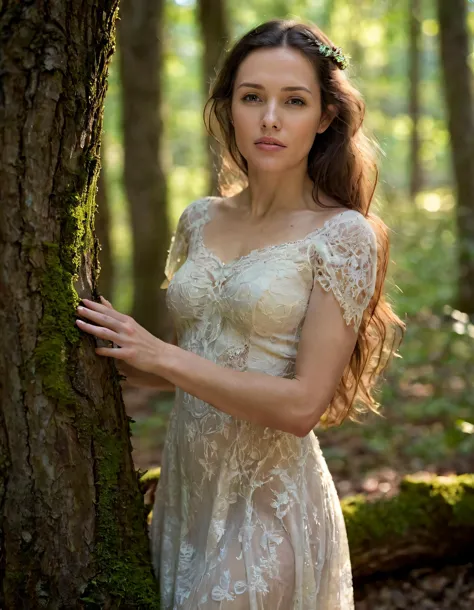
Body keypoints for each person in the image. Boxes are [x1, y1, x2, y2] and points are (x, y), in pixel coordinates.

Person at [75, 18, 405, 610]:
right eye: (252, 97)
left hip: (270, 504)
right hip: (187, 499)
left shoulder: (342, 235)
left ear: (325, 116)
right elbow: (184, 364)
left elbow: (304, 405)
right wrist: (113, 344)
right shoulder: (201, 219)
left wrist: (164, 356)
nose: (270, 118)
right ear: (229, 108)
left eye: (294, 101)